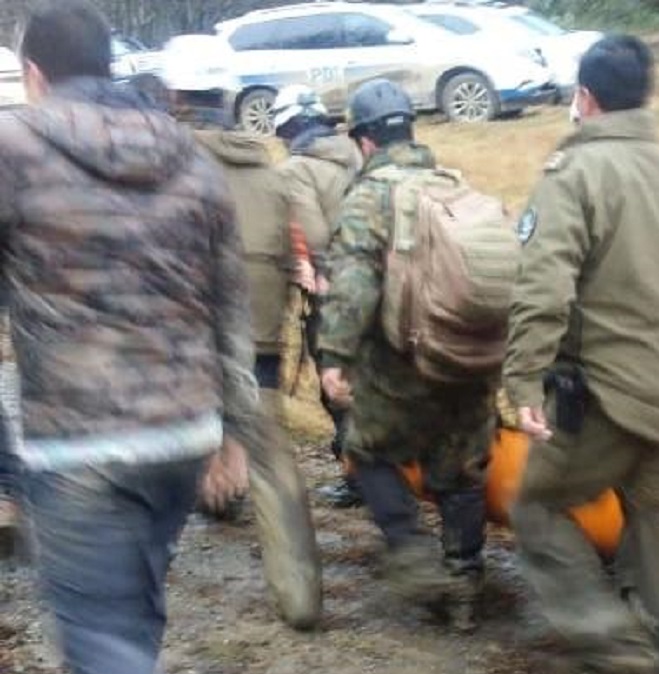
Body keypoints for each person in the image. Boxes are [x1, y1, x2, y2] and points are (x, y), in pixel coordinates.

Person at [2, 2, 258, 674]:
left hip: (80, 440)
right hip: (183, 431)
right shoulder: (191, 156)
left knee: (95, 636)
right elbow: (231, 306)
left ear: (35, 74)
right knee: (134, 606)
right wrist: (234, 434)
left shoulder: (13, 147)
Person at [503, 34, 659, 674]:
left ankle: (617, 641)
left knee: (537, 507)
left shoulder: (573, 176)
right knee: (654, 517)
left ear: (586, 99)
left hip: (607, 397)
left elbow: (543, 288)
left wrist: (521, 381)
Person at [315, 79, 494, 633]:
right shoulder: (454, 186)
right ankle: (463, 587)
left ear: (364, 142)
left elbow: (354, 286)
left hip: (401, 365)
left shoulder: (369, 197)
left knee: (365, 449)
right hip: (471, 355)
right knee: (462, 471)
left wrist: (333, 356)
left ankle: (413, 553)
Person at [187, 97, 323, 631]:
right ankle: (301, 597)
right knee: (269, 452)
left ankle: (213, 487)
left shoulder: (178, 168)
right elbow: (301, 248)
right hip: (261, 327)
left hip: (198, 325)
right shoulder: (273, 175)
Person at [273, 84, 363, 509]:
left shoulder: (296, 170)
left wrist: (315, 274)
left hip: (335, 291)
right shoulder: (356, 153)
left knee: (338, 386)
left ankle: (358, 475)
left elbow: (312, 234)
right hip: (382, 286)